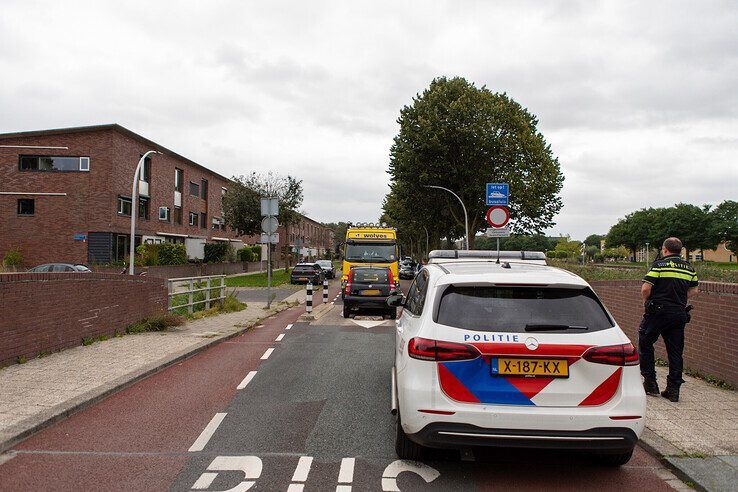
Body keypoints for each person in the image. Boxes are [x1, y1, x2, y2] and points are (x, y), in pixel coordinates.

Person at [639, 237, 699, 402]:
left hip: (657, 313)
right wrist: (678, 298)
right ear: (680, 250)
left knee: (645, 342)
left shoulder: (659, 265)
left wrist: (649, 300)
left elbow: (646, 288)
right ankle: (673, 390)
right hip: (678, 314)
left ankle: (651, 384)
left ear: (665, 249)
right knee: (675, 352)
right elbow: (694, 290)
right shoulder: (688, 267)